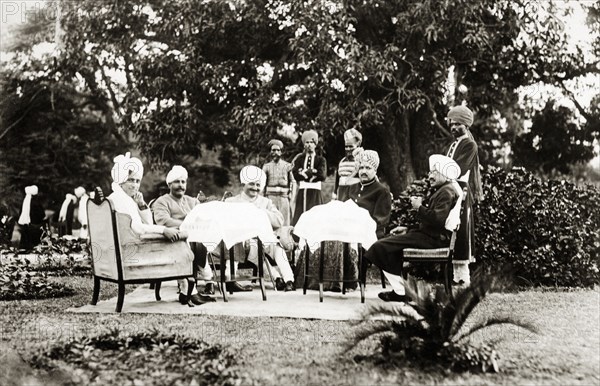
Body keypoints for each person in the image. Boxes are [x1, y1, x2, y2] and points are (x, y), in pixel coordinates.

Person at [107, 153, 204, 306]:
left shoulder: (119, 198)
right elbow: (139, 228)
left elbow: (146, 222)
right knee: (179, 239)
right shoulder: (122, 201)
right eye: (130, 180)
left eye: (137, 181)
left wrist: (140, 205)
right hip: (132, 251)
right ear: (120, 181)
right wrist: (164, 230)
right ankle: (187, 287)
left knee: (178, 237)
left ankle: (188, 285)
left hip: (122, 249)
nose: (135, 185)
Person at [365, 154, 462, 302]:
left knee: (380, 247)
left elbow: (437, 220)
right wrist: (407, 229)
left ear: (445, 173)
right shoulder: (445, 189)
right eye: (430, 172)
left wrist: (419, 207)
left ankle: (401, 291)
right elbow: (431, 223)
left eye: (434, 172)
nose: (430, 176)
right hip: (430, 236)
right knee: (387, 244)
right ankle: (401, 290)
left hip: (434, 240)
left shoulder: (446, 192)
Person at [225, 165, 296, 291]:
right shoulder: (232, 202)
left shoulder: (265, 202)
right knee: (255, 249)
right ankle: (277, 278)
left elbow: (279, 220)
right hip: (244, 241)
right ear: (244, 184)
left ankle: (289, 280)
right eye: (252, 184)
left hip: (265, 239)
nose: (255, 188)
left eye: (258, 185)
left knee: (277, 248)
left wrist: (261, 211)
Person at [151, 165, 217, 302]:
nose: (180, 185)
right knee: (192, 240)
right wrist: (187, 226)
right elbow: (163, 220)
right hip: (172, 241)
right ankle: (199, 282)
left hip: (194, 239)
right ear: (169, 184)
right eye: (177, 182)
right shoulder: (162, 202)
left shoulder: (192, 201)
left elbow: (204, 218)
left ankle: (199, 283)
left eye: (183, 182)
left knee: (201, 238)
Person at [445, 105, 483, 285]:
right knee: (450, 230)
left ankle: (462, 278)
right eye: (451, 124)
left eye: (458, 124)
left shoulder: (469, 144)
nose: (453, 127)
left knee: (461, 232)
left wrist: (444, 172)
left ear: (466, 125)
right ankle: (454, 276)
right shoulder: (454, 144)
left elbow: (458, 169)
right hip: (449, 189)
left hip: (460, 190)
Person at [291, 130, 327, 225]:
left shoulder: (321, 160)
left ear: (315, 144)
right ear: (304, 144)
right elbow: (295, 175)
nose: (309, 145)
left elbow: (322, 176)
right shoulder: (299, 159)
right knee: (301, 216)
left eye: (312, 142)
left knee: (315, 217)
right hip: (302, 191)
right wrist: (312, 172)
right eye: (307, 142)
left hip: (315, 193)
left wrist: (303, 172)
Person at [354, 150, 392, 239]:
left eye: (368, 168)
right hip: (351, 232)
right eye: (361, 168)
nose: (364, 171)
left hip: (371, 235)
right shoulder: (352, 188)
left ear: (375, 171)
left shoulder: (382, 191)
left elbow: (379, 221)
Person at [262, 139, 294, 226]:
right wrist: (262, 198)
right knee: (271, 221)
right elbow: (262, 183)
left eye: (278, 150)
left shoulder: (287, 165)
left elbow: (292, 181)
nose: (275, 152)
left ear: (281, 152)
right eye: (273, 150)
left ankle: (284, 239)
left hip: (284, 198)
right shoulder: (266, 167)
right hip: (270, 198)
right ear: (270, 152)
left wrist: (291, 194)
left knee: (284, 221)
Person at [11, 185, 46, 251]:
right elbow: (42, 215)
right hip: (34, 227)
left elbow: (20, 214)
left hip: (26, 227)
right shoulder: (36, 203)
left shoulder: (25, 203)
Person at [333, 128, 362, 202]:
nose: (348, 149)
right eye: (346, 146)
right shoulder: (342, 161)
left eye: (351, 146)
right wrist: (335, 192)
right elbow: (337, 179)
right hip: (342, 194)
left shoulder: (362, 160)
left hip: (355, 194)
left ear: (358, 144)